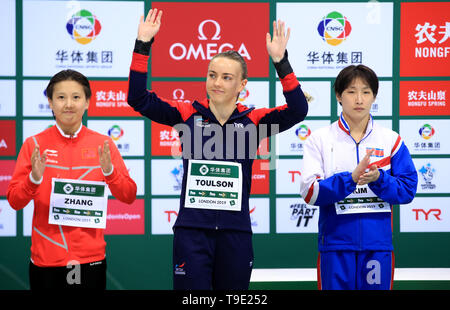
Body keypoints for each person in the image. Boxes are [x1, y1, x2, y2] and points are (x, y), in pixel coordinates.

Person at [128, 8, 308, 289]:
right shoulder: (186, 113)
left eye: (226, 77)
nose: (217, 82)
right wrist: (143, 45)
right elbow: (137, 98)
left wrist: (281, 63)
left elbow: (298, 109)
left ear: (242, 84)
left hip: (235, 234)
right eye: (212, 75)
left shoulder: (254, 120)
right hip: (191, 233)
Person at [7, 69, 137, 290]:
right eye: (61, 97)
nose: (69, 104)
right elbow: (14, 201)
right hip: (46, 259)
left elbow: (129, 195)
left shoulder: (103, 145)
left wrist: (109, 173)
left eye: (76, 97)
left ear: (87, 102)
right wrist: (33, 179)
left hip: (90, 259)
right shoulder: (34, 145)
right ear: (49, 102)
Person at [299, 64, 418, 290]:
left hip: (378, 246)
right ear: (338, 95)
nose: (359, 99)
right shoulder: (320, 140)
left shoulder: (391, 140)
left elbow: (407, 189)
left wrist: (379, 179)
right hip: (335, 246)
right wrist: (350, 179)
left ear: (374, 96)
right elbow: (310, 192)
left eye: (366, 92)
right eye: (351, 91)